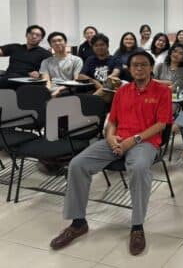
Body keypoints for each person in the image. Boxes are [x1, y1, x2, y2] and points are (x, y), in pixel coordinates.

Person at [49, 51, 172, 256]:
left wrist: (135, 140)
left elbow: (161, 124)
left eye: (143, 65)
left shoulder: (162, 91)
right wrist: (110, 138)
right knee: (78, 164)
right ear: (130, 69)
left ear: (151, 68)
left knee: (140, 168)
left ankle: (137, 227)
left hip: (145, 142)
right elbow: (112, 120)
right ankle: (78, 222)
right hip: (117, 140)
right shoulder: (122, 91)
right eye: (135, 65)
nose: (139, 68)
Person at [0, 24, 51, 89]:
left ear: (41, 39)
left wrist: (39, 74)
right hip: (8, 78)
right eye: (31, 34)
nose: (34, 36)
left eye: (38, 35)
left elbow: (50, 72)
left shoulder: (45, 53)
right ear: (26, 35)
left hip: (27, 80)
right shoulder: (15, 47)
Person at [40, 32, 83, 97]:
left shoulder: (76, 60)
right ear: (51, 45)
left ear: (65, 43)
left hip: (68, 89)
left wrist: (59, 90)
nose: (57, 43)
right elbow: (46, 81)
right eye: (53, 41)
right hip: (51, 90)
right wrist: (47, 91)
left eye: (60, 40)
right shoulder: (46, 62)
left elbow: (76, 81)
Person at [79, 34, 121, 98]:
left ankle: (90, 102)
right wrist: (94, 82)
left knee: (113, 81)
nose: (99, 47)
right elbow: (81, 75)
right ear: (92, 47)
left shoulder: (115, 59)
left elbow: (116, 73)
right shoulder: (90, 59)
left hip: (110, 91)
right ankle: (92, 101)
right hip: (94, 90)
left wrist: (104, 85)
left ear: (107, 46)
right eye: (96, 45)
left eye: (102, 45)